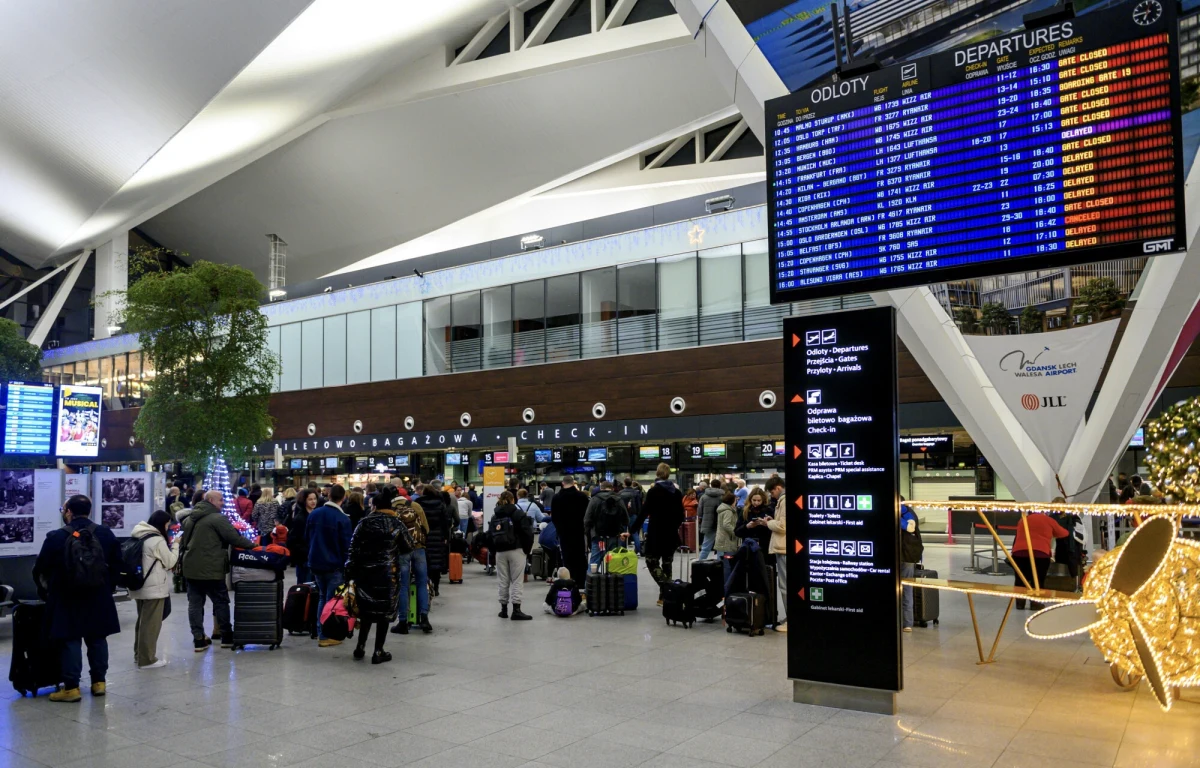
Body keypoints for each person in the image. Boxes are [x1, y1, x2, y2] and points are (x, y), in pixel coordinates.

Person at [33, 495, 121, 702]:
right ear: (89, 510)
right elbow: (118, 564)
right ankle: (99, 683)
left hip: (67, 596)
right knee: (98, 639)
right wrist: (107, 587)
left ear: (69, 512)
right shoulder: (105, 534)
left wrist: (46, 591)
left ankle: (71, 688)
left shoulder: (56, 537)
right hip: (98, 596)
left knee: (70, 640)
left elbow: (40, 568)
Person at [179, 490, 258, 651]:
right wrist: (254, 546)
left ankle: (199, 639)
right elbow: (234, 538)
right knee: (221, 601)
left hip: (191, 567)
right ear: (211, 500)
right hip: (212, 568)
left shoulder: (189, 519)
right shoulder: (218, 519)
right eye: (220, 500)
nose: (223, 503)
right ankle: (226, 636)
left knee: (195, 604)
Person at [345, 491, 409, 664]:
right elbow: (407, 546)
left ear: (374, 506)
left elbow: (353, 548)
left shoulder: (364, 523)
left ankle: (360, 647)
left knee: (366, 610)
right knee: (384, 613)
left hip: (365, 573)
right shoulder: (397, 523)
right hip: (388, 574)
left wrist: (350, 571)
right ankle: (378, 651)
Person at [128, 510, 179, 668]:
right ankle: (147, 659)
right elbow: (170, 562)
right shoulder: (156, 539)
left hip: (139, 584)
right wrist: (176, 544)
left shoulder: (139, 534)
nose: (168, 527)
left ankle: (139, 655)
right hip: (153, 588)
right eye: (167, 524)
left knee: (142, 622)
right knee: (151, 624)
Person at [306, 484, 352, 647]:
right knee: (332, 600)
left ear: (328, 495)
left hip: (316, 562)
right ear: (343, 498)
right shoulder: (343, 519)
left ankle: (321, 631)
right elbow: (347, 546)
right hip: (334, 565)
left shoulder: (314, 514)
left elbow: (307, 537)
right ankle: (326, 634)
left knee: (323, 597)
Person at [635, 463, 685, 605]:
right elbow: (681, 515)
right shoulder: (677, 492)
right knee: (667, 563)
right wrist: (673, 526)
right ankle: (665, 597)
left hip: (656, 533)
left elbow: (644, 512)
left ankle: (667, 587)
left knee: (651, 561)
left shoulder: (653, 492)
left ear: (657, 474)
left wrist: (632, 529)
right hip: (671, 534)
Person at [391, 490, 433, 634]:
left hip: (402, 552)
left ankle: (403, 622)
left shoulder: (392, 510)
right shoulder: (416, 506)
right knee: (422, 583)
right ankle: (424, 618)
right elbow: (426, 528)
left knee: (403, 585)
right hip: (419, 549)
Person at [489, 490, 535, 620]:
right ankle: (516, 610)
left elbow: (490, 535)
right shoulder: (518, 513)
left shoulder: (495, 515)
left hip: (500, 552)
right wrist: (526, 550)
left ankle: (503, 610)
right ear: (513, 499)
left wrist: (494, 551)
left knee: (503, 580)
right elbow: (527, 533)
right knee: (517, 580)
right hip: (516, 550)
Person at [1012, 508, 1069, 609]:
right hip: (1040, 553)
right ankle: (1035, 603)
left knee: (1020, 579)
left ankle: (1020, 603)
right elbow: (1064, 533)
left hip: (1019, 552)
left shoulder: (1023, 519)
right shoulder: (1048, 520)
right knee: (1037, 579)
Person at [551, 475, 590, 584]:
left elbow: (554, 517)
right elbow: (587, 516)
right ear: (573, 483)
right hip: (578, 532)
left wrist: (559, 529)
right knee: (580, 556)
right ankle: (581, 581)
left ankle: (568, 582)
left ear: (563, 483)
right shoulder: (582, 496)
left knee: (567, 557)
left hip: (564, 533)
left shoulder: (556, 498)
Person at [419, 480, 454, 598]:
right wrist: (445, 536)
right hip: (438, 536)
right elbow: (445, 522)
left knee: (424, 562)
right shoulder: (440, 503)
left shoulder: (419, 503)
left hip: (423, 536)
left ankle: (426, 586)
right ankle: (436, 587)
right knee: (436, 562)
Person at [584, 481, 628, 569]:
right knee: (614, 563)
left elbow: (587, 519)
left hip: (598, 536)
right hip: (615, 536)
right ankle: (613, 581)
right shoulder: (619, 499)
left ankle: (591, 582)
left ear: (601, 488)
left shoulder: (595, 499)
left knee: (594, 563)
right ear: (612, 489)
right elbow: (626, 519)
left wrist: (587, 533)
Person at [764, 477, 787, 631]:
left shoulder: (784, 500)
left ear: (778, 487)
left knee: (785, 585)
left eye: (772, 491)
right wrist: (773, 520)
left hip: (783, 547)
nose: (772, 495)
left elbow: (783, 526)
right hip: (783, 547)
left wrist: (768, 523)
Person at [900, 498, 923, 633]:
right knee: (906, 589)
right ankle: (907, 623)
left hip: (904, 557)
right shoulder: (910, 512)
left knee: (905, 589)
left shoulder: (906, 516)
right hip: (909, 557)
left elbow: (910, 528)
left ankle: (907, 622)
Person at [287, 489, 318, 584]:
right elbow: (293, 540)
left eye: (315, 499)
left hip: (314, 557)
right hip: (304, 558)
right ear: (304, 501)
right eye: (310, 499)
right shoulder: (300, 518)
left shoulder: (316, 515)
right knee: (305, 586)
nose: (313, 501)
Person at [714, 488, 742, 576]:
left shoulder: (723, 509)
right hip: (727, 540)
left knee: (722, 562)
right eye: (735, 500)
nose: (736, 502)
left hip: (722, 539)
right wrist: (735, 532)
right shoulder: (728, 511)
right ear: (732, 501)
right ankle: (727, 584)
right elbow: (726, 525)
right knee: (727, 564)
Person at [697, 482, 723, 560]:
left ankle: (700, 564)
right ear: (720, 486)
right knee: (720, 548)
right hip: (720, 524)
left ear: (710, 486)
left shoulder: (704, 496)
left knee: (705, 547)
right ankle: (720, 566)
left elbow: (699, 512)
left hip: (708, 524)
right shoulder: (722, 496)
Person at [619, 478, 643, 554]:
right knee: (634, 532)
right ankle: (638, 550)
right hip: (633, 515)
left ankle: (623, 549)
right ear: (631, 483)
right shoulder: (636, 493)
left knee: (623, 532)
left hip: (622, 515)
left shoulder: (620, 493)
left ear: (624, 484)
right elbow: (639, 506)